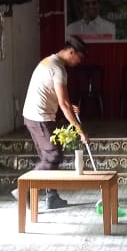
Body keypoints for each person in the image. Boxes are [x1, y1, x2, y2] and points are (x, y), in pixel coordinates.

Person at [21, 38, 88, 210]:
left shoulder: (48, 61)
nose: (79, 62)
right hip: (40, 118)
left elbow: (55, 95)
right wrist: (79, 130)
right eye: (79, 58)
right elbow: (63, 103)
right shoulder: (58, 69)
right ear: (71, 52)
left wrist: (68, 105)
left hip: (32, 116)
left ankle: (52, 197)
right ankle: (25, 189)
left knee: (47, 157)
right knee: (53, 155)